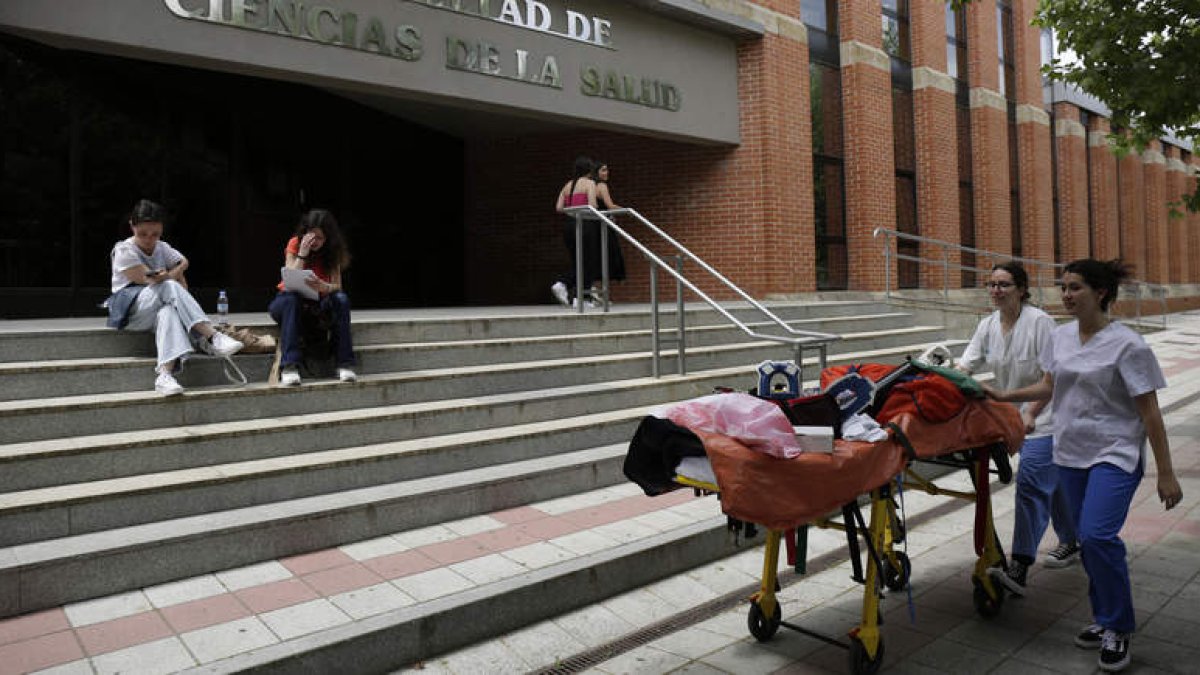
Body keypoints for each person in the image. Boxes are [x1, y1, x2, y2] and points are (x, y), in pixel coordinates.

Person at [985, 259, 1182, 673]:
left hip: (1115, 453)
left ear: (1101, 294)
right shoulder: (1059, 338)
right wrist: (1006, 397)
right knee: (1089, 542)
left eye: (1076, 288)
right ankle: (1105, 616)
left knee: (1096, 536)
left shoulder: (1128, 344)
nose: (1067, 295)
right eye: (1063, 287)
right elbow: (1050, 386)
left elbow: (1150, 412)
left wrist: (1166, 472)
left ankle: (1118, 628)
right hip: (1070, 453)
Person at [957, 262, 1079, 599]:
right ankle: (1072, 539)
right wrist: (948, 378)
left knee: (1030, 484)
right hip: (1010, 419)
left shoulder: (1041, 323)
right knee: (1047, 486)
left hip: (1046, 419)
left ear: (1022, 289)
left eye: (1004, 284)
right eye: (992, 284)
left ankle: (1020, 565)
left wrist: (1030, 414)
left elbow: (1051, 380)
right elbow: (966, 363)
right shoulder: (987, 325)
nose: (996, 290)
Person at [106, 199, 243, 396]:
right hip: (132, 312)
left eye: (155, 234)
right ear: (132, 226)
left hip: (156, 308)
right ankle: (211, 336)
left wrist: (172, 273)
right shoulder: (123, 250)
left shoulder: (162, 247)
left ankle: (165, 376)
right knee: (168, 286)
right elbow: (148, 278)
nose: (149, 239)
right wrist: (171, 276)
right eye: (142, 234)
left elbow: (184, 262)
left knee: (168, 312)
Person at [268, 209, 356, 386]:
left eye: (320, 238)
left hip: (317, 303)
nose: (316, 242)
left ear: (328, 238)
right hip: (288, 302)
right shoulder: (295, 243)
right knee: (291, 297)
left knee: (341, 299)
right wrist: (302, 252)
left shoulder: (332, 250)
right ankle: (290, 366)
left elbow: (337, 286)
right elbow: (289, 276)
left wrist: (324, 287)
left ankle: (344, 363)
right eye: (312, 237)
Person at [551, 155, 599, 308]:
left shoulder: (568, 185)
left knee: (578, 261)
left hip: (570, 226)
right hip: (585, 224)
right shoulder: (590, 183)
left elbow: (558, 207)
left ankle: (574, 292)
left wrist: (571, 210)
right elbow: (592, 205)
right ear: (589, 170)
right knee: (589, 262)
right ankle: (579, 296)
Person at [591, 160, 627, 300]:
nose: (607, 173)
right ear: (597, 172)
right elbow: (610, 205)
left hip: (595, 224)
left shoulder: (591, 186)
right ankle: (598, 290)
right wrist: (626, 210)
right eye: (603, 170)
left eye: (607, 170)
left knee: (599, 255)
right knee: (607, 256)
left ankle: (597, 290)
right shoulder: (602, 185)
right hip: (603, 224)